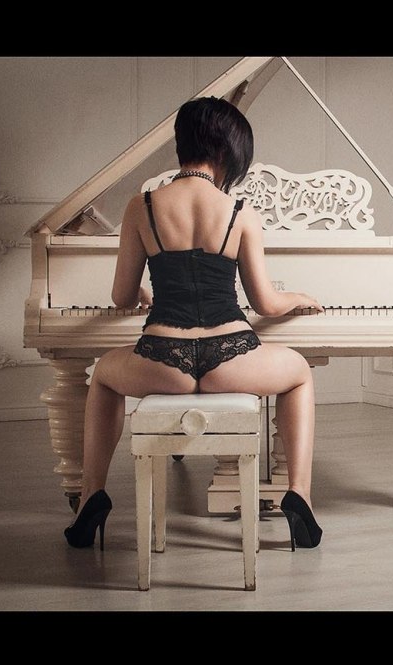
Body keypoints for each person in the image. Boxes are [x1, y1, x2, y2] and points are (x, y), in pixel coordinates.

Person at [64, 97, 324, 552]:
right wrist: (299, 298)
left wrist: (146, 294)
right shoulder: (240, 213)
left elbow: (121, 296)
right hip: (232, 357)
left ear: (182, 143)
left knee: (103, 375)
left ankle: (92, 497)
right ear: (227, 151)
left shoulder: (140, 206)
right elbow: (264, 302)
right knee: (299, 373)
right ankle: (298, 494)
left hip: (163, 361)